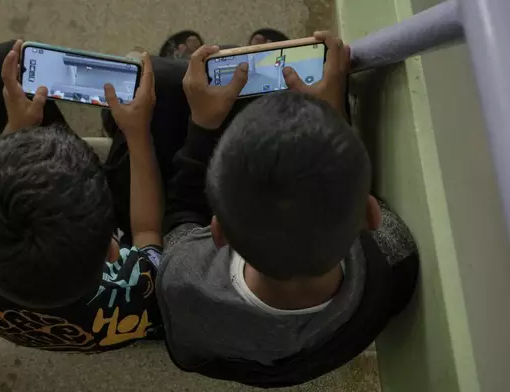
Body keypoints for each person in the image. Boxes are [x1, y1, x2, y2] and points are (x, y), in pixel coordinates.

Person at [157, 31, 419, 386]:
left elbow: (181, 220)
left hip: (215, 345)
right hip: (313, 351)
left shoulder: (181, 280)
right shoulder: (394, 260)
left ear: (216, 232)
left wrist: (202, 127)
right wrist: (332, 111)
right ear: (371, 215)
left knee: (165, 81)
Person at [0, 40, 164, 352]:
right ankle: (121, 123)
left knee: (4, 62)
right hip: (115, 218)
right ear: (114, 250)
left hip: (78, 231)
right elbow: (148, 232)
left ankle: (120, 120)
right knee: (158, 88)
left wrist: (16, 127)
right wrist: (138, 133)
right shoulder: (134, 292)